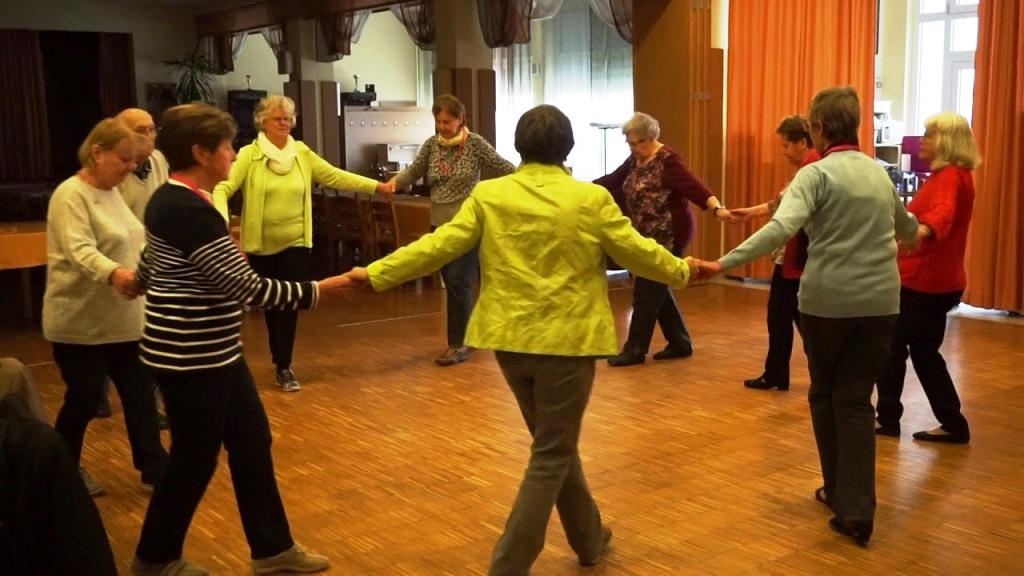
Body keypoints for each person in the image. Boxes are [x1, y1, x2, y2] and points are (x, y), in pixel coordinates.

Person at [346, 104, 695, 575]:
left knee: (554, 443)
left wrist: (377, 272)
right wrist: (683, 270)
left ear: (517, 146)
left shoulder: (491, 195)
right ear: (567, 147)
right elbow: (636, 251)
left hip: (510, 342)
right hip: (567, 343)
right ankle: (508, 566)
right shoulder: (588, 200)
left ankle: (590, 538)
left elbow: (440, 245)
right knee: (552, 451)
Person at [131, 103, 354, 576]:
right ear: (200, 152)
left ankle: (271, 549)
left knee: (252, 442)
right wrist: (325, 289)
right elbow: (251, 288)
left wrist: (140, 278)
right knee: (194, 460)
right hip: (192, 359)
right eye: (227, 146)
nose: (233, 154)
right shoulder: (187, 209)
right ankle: (155, 557)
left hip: (217, 354)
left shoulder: (175, 201)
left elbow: (151, 265)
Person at [694, 86, 920, 546]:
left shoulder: (815, 175)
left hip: (828, 305)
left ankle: (841, 493)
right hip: (881, 306)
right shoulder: (879, 174)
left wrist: (722, 263)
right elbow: (908, 228)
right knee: (855, 402)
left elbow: (781, 228)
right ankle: (855, 507)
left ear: (817, 128)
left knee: (825, 393)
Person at [212, 94, 393, 392]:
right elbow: (223, 187)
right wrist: (222, 221)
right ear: (263, 122)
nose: (284, 123)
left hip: (296, 241)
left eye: (287, 118)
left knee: (289, 304)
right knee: (272, 303)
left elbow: (335, 176)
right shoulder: (249, 154)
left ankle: (284, 366)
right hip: (260, 244)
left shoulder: (301, 153)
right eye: (277, 119)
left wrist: (377, 186)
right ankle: (252, 362)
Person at [42, 118, 169, 498]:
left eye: (134, 161)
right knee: (82, 400)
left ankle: (153, 467)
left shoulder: (112, 192)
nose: (132, 167)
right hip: (81, 322)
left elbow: (136, 240)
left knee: (140, 396)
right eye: (124, 160)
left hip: (125, 320)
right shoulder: (70, 195)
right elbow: (80, 250)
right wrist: (115, 274)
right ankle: (62, 469)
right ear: (97, 153)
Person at [388, 94, 516, 367]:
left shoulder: (475, 144)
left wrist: (532, 180)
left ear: (461, 120)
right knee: (452, 280)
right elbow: (414, 171)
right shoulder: (432, 146)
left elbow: (504, 167)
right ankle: (469, 335)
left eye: (447, 121)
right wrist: (393, 184)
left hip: (468, 223)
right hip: (439, 223)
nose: (442, 126)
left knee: (458, 280)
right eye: (438, 122)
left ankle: (458, 344)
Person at [875, 112, 979, 444]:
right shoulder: (953, 176)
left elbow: (942, 215)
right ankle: (952, 422)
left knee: (892, 347)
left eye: (929, 135)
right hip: (937, 281)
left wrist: (921, 230)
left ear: (947, 141)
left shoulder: (950, 178)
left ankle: (888, 419)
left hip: (924, 282)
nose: (922, 140)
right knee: (922, 351)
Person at [594, 112, 731, 367]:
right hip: (645, 235)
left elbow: (695, 187)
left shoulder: (668, 161)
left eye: (637, 143)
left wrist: (717, 208)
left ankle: (635, 349)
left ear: (651, 137)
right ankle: (679, 342)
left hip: (669, 235)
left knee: (646, 290)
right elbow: (611, 181)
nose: (633, 148)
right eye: (630, 144)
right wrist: (578, 189)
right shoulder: (635, 161)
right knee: (658, 285)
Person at [729, 115, 821, 391]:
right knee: (786, 318)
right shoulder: (808, 167)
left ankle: (806, 375)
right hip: (794, 259)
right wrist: (750, 213)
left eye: (785, 146)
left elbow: (785, 210)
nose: (782, 152)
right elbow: (780, 203)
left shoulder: (811, 169)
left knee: (791, 319)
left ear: (802, 142)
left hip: (798, 259)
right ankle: (780, 374)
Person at [96, 107, 171, 424]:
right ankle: (96, 392)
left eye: (153, 129)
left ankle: (149, 407)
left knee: (149, 335)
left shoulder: (159, 161)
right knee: (109, 333)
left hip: (152, 260)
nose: (149, 136)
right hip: (117, 263)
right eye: (140, 130)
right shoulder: (109, 170)